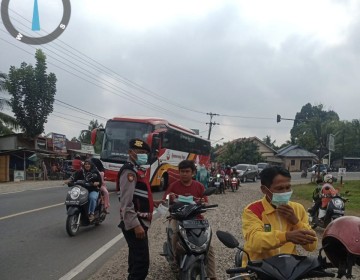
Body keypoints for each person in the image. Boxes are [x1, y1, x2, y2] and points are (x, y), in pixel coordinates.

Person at [242, 166, 317, 266]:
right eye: (279, 188)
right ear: (264, 189)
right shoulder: (253, 210)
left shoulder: (298, 209)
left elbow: (311, 246)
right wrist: (286, 236)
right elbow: (255, 242)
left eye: (288, 187)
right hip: (259, 269)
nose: (285, 192)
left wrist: (295, 221)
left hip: (287, 269)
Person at [162, 160, 217, 280]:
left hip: (197, 219)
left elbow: (206, 202)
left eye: (187, 171)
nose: (184, 174)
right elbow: (164, 201)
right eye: (182, 171)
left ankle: (212, 276)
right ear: (179, 172)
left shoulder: (199, 186)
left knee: (208, 246)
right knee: (175, 235)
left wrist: (203, 202)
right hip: (179, 219)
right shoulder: (173, 186)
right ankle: (174, 259)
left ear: (193, 173)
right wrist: (169, 198)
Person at [118, 138, 163, 280]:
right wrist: (136, 225)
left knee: (135, 258)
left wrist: (152, 202)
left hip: (139, 221)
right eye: (140, 152)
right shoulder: (129, 172)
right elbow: (126, 201)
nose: (143, 155)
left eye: (145, 152)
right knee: (142, 264)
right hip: (135, 223)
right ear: (131, 152)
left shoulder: (137, 170)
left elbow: (137, 194)